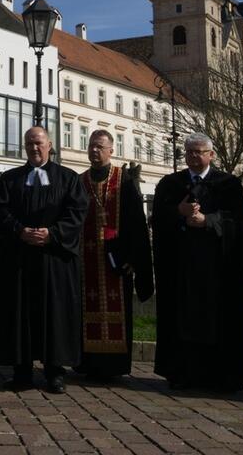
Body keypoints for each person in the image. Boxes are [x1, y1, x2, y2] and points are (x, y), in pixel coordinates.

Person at [152, 132, 243, 392]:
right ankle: (183, 373)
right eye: (189, 152)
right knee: (182, 320)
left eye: (199, 152)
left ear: (211, 154)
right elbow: (158, 218)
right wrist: (179, 212)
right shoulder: (171, 184)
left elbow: (239, 222)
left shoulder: (228, 184)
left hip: (217, 267)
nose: (194, 157)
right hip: (181, 266)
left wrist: (208, 221)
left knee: (218, 320)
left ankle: (220, 375)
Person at [0, 126, 87, 394]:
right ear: (25, 146)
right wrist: (20, 230)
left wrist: (52, 234)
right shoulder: (10, 179)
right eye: (30, 143)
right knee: (20, 312)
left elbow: (77, 213)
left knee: (53, 312)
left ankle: (55, 371)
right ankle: (22, 371)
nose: (34, 148)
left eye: (39, 143)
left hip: (54, 260)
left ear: (50, 145)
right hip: (19, 258)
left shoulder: (69, 179)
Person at [78, 130, 153, 380]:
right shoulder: (81, 180)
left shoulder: (124, 179)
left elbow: (136, 221)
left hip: (117, 256)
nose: (94, 151)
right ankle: (87, 362)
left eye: (100, 147)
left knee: (118, 306)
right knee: (85, 307)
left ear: (111, 150)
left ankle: (115, 365)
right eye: (91, 146)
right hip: (87, 256)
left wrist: (134, 257)